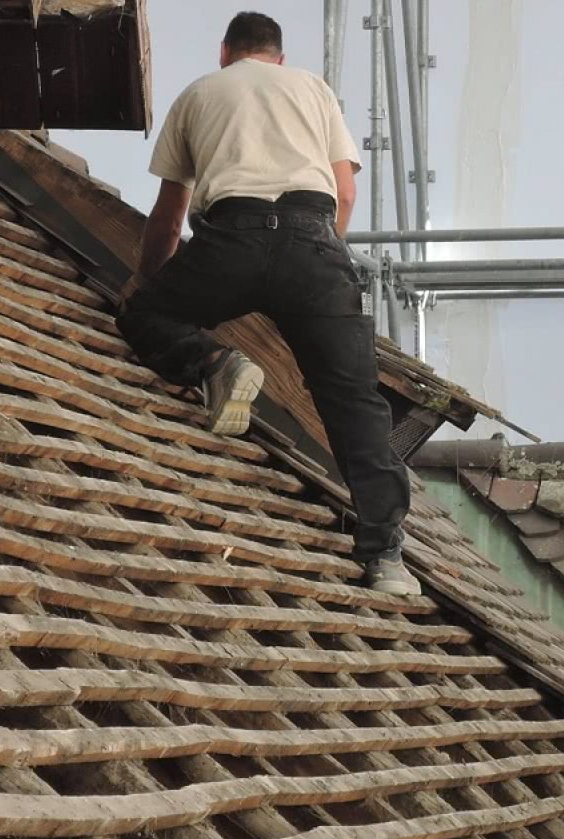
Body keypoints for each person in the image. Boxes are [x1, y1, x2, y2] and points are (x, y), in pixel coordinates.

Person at [116, 11, 418, 596]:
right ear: (278, 57)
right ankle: (386, 559)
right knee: (354, 401)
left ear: (224, 51)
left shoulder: (199, 93)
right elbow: (347, 192)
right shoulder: (313, 88)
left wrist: (149, 288)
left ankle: (215, 364)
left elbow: (170, 215)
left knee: (146, 315)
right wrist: (321, 265)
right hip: (313, 238)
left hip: (231, 236)